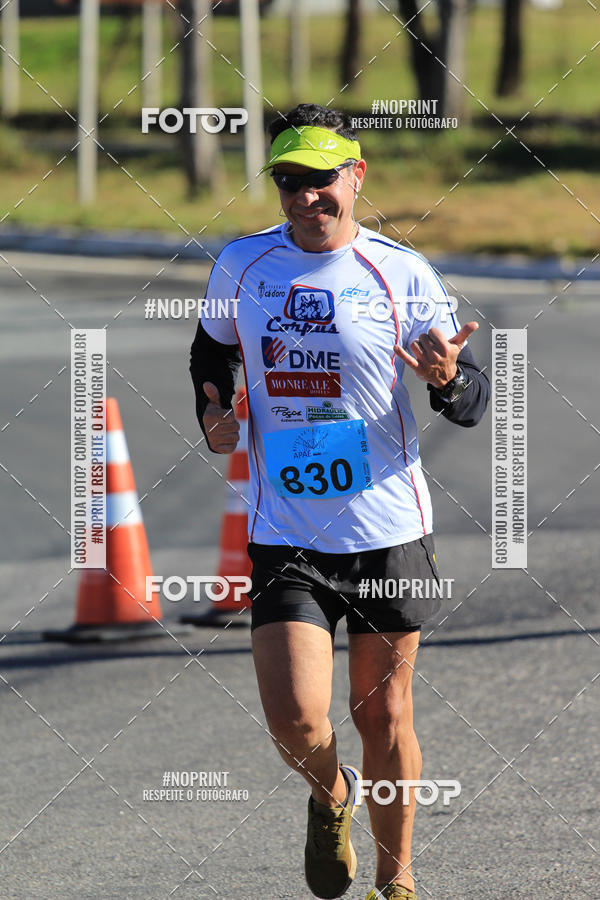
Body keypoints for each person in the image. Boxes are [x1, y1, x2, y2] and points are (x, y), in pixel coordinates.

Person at [190, 103, 489, 900]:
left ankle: (398, 884)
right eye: (288, 181)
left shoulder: (401, 273)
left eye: (321, 180)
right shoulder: (243, 266)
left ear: (354, 177)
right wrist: (214, 418)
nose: (305, 197)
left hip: (391, 530)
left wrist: (448, 379)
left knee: (385, 718)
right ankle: (331, 793)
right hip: (286, 528)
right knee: (295, 718)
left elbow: (468, 398)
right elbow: (212, 354)